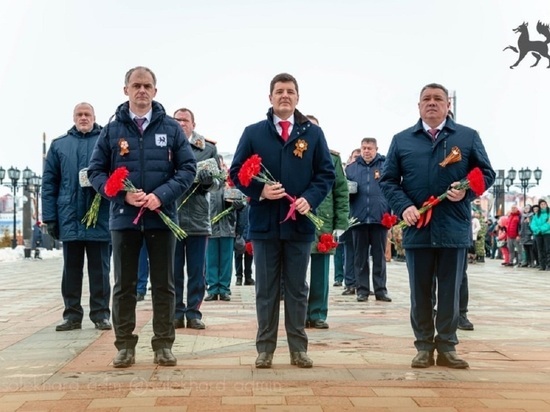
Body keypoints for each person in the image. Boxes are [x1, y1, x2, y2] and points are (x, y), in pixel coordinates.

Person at [380, 82, 495, 369]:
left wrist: (466, 191)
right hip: (417, 226)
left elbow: (486, 173)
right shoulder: (402, 139)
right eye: (426, 99)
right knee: (420, 292)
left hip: (453, 228)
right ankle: (422, 346)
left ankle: (447, 346)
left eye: (438, 99)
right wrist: (404, 206)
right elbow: (389, 180)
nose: (432, 103)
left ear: (448, 105)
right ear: (418, 106)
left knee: (449, 291)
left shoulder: (467, 137)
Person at [88, 66, 196, 368]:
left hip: (161, 217)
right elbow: (96, 172)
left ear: (155, 91)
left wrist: (161, 195)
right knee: (124, 284)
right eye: (136, 85)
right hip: (124, 219)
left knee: (164, 284)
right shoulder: (111, 130)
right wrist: (122, 194)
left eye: (147, 85)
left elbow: (187, 169)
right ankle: (124, 345)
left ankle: (163, 344)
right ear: (126, 90)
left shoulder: (171, 129)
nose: (142, 91)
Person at [229, 73, 335, 369]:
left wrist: (309, 199)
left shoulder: (312, 134)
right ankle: (265, 348)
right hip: (264, 225)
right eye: (279, 91)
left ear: (298, 97)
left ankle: (298, 348)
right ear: (270, 97)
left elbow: (325, 173)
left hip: (299, 224)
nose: (284, 96)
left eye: (290, 91)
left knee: (297, 289)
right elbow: (237, 172)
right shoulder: (254, 133)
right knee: (266, 288)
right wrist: (260, 190)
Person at [42, 102, 112, 333]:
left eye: (87, 114)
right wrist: (50, 217)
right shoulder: (59, 145)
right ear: (73, 117)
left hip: (99, 216)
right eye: (79, 114)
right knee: (71, 270)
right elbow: (49, 183)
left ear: (94, 116)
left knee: (100, 270)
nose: (83, 118)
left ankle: (101, 314)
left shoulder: (107, 140)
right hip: (69, 216)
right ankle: (72, 315)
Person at [172, 108, 223, 330]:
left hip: (198, 217)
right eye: (177, 120)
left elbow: (219, 182)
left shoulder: (208, 148)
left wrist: (207, 182)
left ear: (193, 124)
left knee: (196, 270)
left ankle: (194, 312)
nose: (181, 123)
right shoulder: (165, 145)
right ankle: (175, 312)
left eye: (185, 120)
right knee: (172, 271)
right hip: (171, 217)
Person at [305, 115, 349, 329]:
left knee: (321, 272)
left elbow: (341, 192)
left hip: (324, 222)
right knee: (297, 271)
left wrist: (341, 223)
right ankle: (299, 313)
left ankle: (318, 313)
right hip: (299, 221)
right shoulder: (294, 155)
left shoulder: (332, 159)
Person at [345, 137, 392, 302]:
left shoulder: (385, 166)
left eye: (370, 148)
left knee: (379, 257)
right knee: (360, 257)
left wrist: (390, 212)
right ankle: (362, 290)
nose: (366, 151)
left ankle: (380, 290)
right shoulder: (351, 169)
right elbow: (344, 193)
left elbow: (392, 189)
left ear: (376, 149)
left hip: (380, 218)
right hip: (358, 219)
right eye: (364, 148)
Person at [205, 155, 245, 301]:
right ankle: (212, 288)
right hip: (210, 228)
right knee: (211, 260)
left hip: (228, 227)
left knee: (226, 260)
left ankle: (224, 288)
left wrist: (239, 205)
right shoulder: (207, 185)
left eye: (221, 165)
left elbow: (241, 203)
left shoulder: (230, 184)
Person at [234, 202, 255, 286]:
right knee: (238, 255)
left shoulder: (252, 203)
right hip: (240, 233)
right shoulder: (239, 203)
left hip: (250, 233)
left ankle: (248, 277)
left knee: (249, 255)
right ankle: (239, 277)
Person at [530, 199, 550, 271]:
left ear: (546, 204)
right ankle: (542, 265)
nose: (543, 205)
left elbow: (548, 224)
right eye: (541, 204)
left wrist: (541, 229)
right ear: (540, 206)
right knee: (540, 249)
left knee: (548, 249)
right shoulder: (537, 214)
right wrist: (537, 230)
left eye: (544, 204)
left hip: (547, 233)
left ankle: (548, 265)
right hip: (538, 234)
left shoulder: (549, 213)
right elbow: (532, 224)